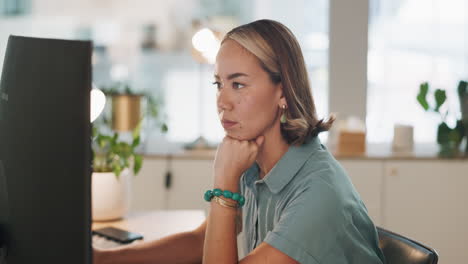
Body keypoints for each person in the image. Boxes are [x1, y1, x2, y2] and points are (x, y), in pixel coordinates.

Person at [94, 19, 385, 264]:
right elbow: (199, 242)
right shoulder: (257, 159)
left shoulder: (318, 193)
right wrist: (104, 258)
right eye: (218, 84)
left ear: (283, 92)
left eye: (238, 84)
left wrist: (224, 181)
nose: (222, 101)